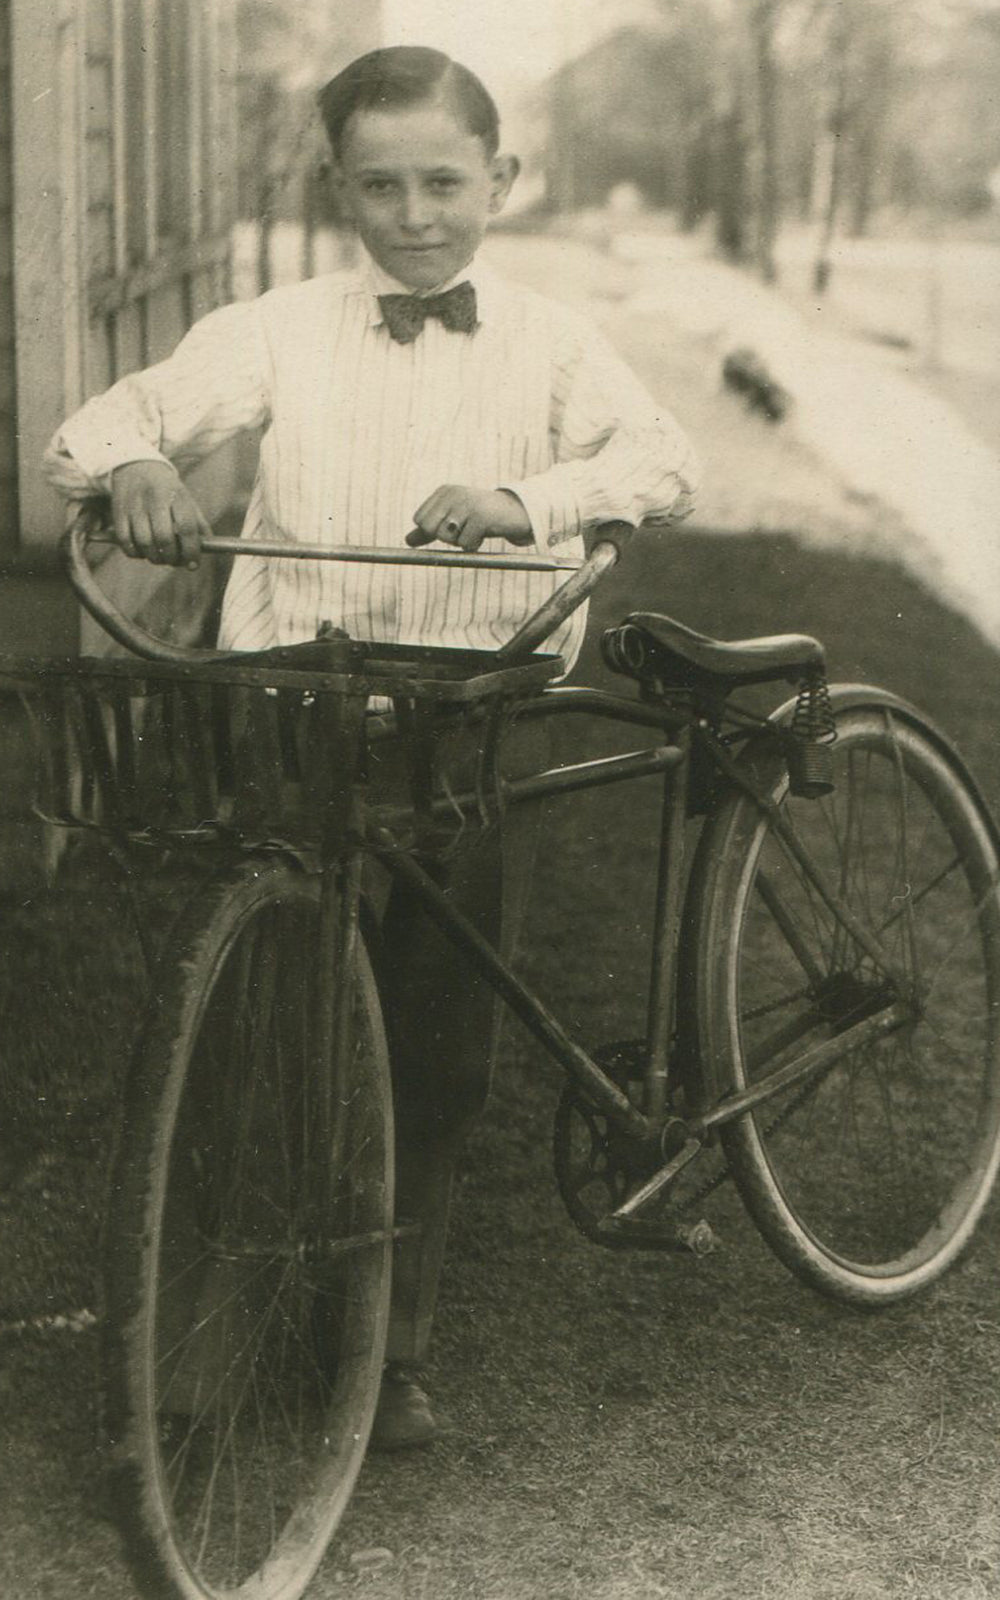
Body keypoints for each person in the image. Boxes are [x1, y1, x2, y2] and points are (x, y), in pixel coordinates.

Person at [44, 46, 699, 1449]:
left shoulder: (550, 343)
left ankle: (387, 1347)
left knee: (434, 1041)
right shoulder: (274, 329)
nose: (414, 216)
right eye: (381, 186)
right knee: (258, 1012)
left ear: (500, 181)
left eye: (444, 184)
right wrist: (137, 462)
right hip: (297, 709)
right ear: (337, 186)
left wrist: (529, 500)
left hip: (469, 719)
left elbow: (661, 461)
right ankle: (214, 1340)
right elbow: (104, 420)